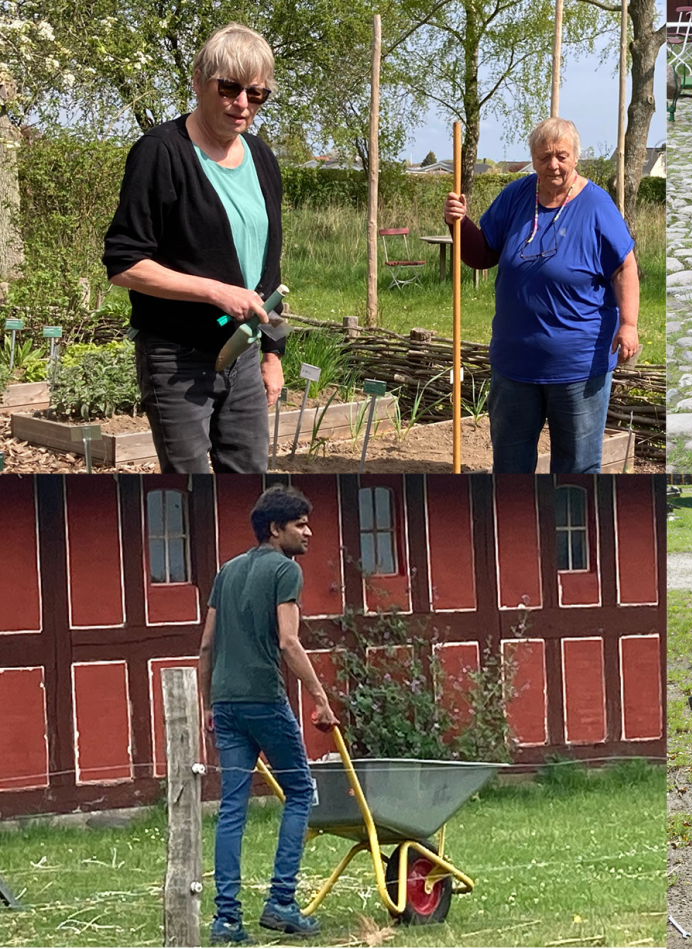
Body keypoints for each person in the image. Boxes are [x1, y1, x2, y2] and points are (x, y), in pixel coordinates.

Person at [104, 24, 286, 473]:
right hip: (177, 356)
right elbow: (124, 263)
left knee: (249, 487)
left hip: (242, 354)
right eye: (229, 89)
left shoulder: (261, 157)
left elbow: (268, 273)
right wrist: (214, 291)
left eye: (256, 94)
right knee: (190, 495)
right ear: (198, 80)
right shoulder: (160, 153)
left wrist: (272, 353)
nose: (242, 105)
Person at [444, 116, 640, 473]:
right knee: (511, 466)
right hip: (515, 363)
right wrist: (460, 223)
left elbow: (624, 266)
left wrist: (628, 324)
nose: (553, 164)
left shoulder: (596, 205)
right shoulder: (515, 196)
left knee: (577, 467)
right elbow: (481, 255)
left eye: (562, 156)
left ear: (576, 157)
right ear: (533, 159)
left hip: (578, 365)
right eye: (544, 156)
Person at [199, 485, 339, 943]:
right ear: (276, 529)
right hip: (263, 699)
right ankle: (281, 902)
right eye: (300, 524)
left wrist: (207, 704)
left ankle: (227, 920)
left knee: (232, 809)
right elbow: (288, 641)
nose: (308, 531)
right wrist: (320, 697)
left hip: (225, 702)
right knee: (300, 791)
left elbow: (206, 644)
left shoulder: (226, 571)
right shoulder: (285, 571)